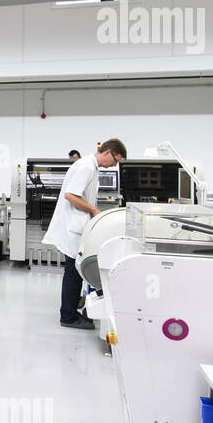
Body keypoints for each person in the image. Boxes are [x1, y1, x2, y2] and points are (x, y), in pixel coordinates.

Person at [43, 139, 126, 329]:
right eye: (115, 160)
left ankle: (72, 308)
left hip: (76, 226)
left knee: (75, 271)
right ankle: (68, 316)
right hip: (73, 228)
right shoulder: (86, 166)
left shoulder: (90, 166)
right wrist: (93, 210)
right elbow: (71, 195)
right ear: (108, 152)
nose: (114, 165)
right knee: (73, 272)